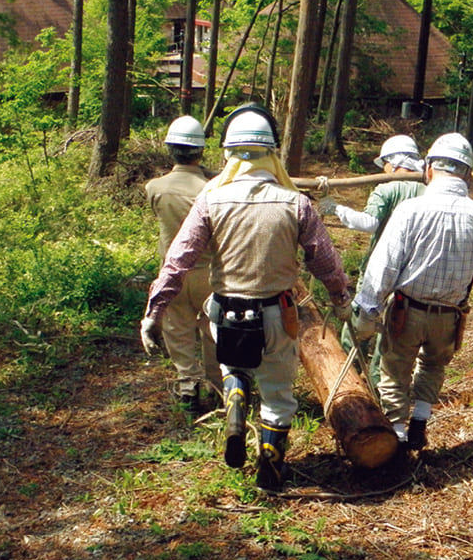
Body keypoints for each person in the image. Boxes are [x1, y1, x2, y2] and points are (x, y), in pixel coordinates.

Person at [140, 104, 352, 491]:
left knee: (231, 362)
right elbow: (324, 259)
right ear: (272, 153)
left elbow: (178, 260)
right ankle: (269, 473)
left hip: (225, 312)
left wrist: (154, 311)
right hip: (276, 314)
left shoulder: (210, 200)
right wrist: (341, 299)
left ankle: (235, 387)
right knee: (277, 396)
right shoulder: (296, 204)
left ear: (227, 154)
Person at [352, 132, 473, 452]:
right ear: (468, 174)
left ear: (429, 169)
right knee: (432, 366)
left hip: (406, 312)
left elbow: (384, 267)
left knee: (394, 372)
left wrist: (367, 310)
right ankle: (420, 421)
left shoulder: (410, 210)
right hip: (449, 317)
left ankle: (400, 438)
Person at [317, 134, 425, 381]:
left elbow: (369, 223)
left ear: (392, 162)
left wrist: (336, 209)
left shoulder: (386, 189)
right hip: (413, 275)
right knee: (389, 338)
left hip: (380, 270)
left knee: (354, 331)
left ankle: (348, 383)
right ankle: (379, 390)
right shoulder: (427, 190)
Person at [143, 115, 221, 413]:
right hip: (210, 273)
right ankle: (217, 389)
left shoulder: (155, 187)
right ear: (201, 151)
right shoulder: (213, 187)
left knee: (177, 330)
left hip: (172, 273)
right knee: (213, 331)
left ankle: (188, 387)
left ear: (170, 149)